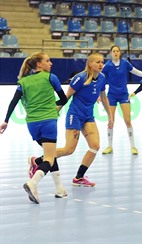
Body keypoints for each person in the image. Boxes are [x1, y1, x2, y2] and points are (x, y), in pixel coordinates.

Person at [32, 53, 112, 188]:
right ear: (90, 64)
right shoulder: (80, 78)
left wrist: (110, 116)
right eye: (98, 62)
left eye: (102, 62)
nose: (101, 65)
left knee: (95, 146)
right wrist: (55, 111)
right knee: (69, 149)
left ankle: (79, 177)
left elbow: (103, 98)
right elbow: (66, 96)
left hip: (88, 116)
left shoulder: (102, 78)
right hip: (74, 115)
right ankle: (38, 160)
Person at [1, 53, 68, 204]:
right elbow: (63, 99)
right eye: (47, 60)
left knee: (49, 154)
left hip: (32, 124)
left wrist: (6, 121)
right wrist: (50, 103)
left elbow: (13, 102)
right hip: (48, 121)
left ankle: (60, 189)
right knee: (49, 158)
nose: (51, 63)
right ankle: (33, 183)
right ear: (39, 64)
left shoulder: (23, 82)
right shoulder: (50, 77)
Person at [101, 45, 142, 155]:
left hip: (124, 95)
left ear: (120, 53)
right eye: (113, 51)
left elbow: (135, 71)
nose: (115, 53)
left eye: (117, 51)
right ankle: (109, 146)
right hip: (111, 95)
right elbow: (100, 79)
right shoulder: (107, 66)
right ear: (111, 53)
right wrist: (98, 94)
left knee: (128, 121)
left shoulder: (125, 63)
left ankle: (133, 146)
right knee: (111, 121)